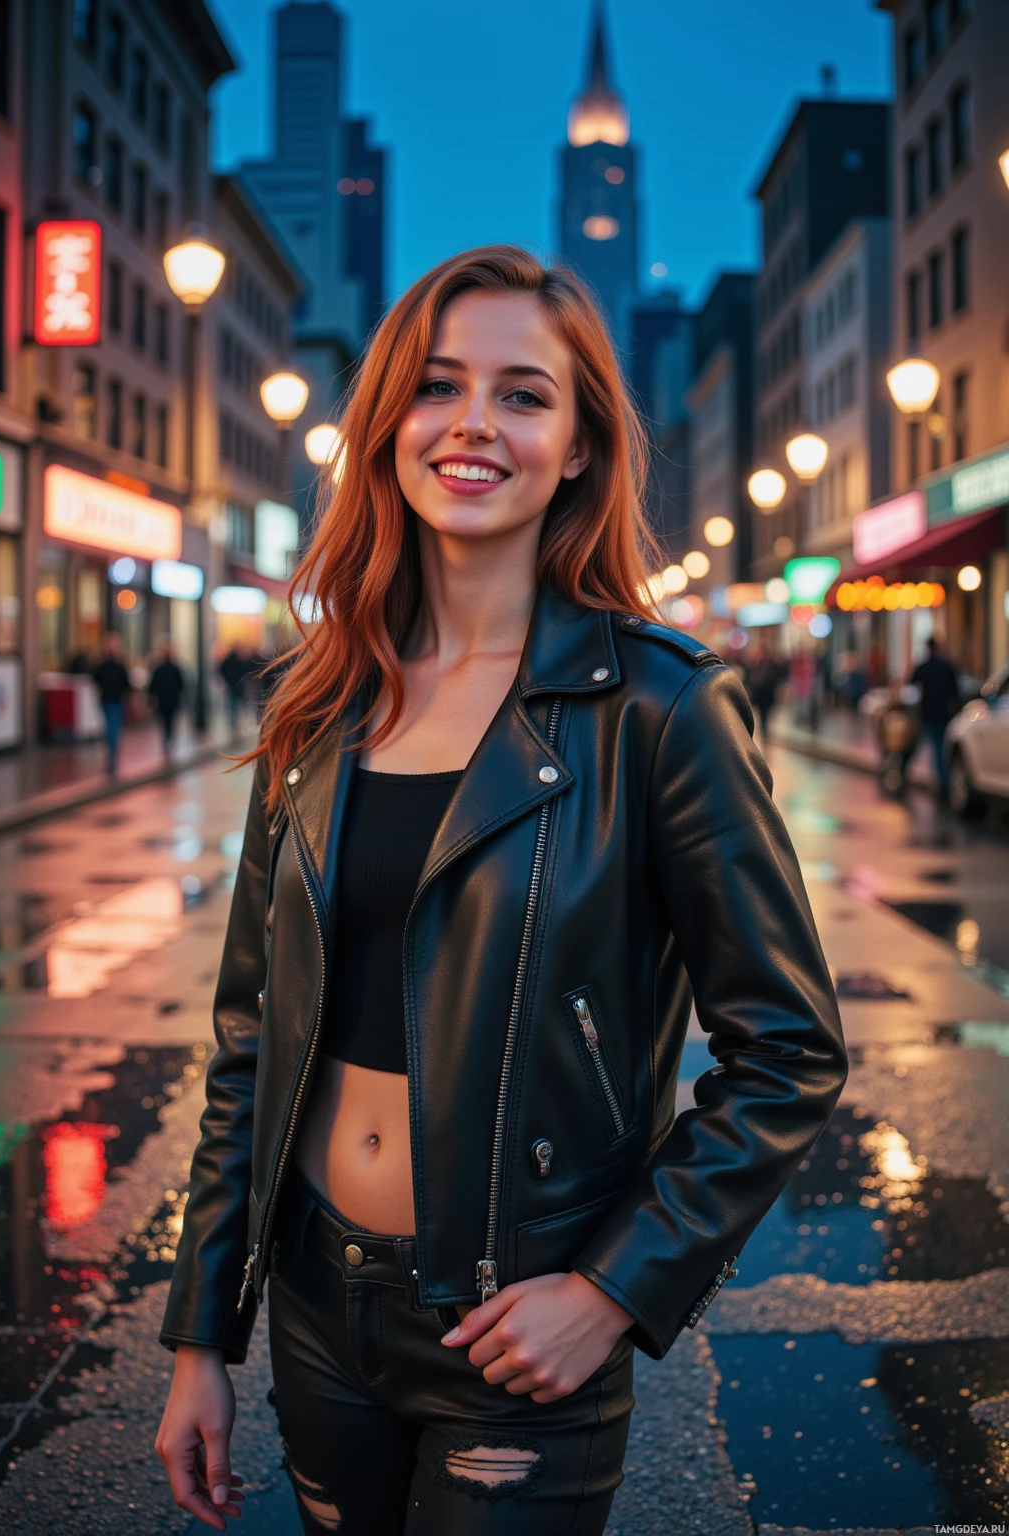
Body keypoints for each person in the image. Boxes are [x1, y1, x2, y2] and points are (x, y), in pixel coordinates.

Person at [156, 247, 846, 1535]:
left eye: (524, 395)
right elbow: (250, 1039)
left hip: (514, 1321)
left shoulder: (663, 706)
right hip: (314, 1304)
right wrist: (202, 1333)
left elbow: (789, 1051)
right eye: (436, 386)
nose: (474, 423)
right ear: (387, 428)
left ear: (579, 445)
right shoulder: (319, 701)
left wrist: (611, 1291)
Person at [911, 635, 961, 795]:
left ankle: (942, 781)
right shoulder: (947, 666)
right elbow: (955, 692)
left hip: (928, 712)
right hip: (944, 712)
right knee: (941, 746)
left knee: (935, 747)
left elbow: (911, 682)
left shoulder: (923, 667)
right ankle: (943, 779)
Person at [92, 631, 132, 775]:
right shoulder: (118, 665)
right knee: (113, 728)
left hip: (108, 699)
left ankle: (111, 755)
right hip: (114, 699)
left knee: (110, 727)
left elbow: (95, 678)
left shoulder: (103, 665)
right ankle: (112, 755)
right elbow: (127, 684)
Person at [148, 639, 186, 756]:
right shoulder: (176, 668)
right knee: (171, 722)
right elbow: (181, 685)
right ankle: (170, 742)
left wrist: (152, 697)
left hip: (162, 701)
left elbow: (152, 686)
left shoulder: (158, 669)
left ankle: (166, 742)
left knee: (165, 723)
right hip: (173, 700)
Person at [219, 643, 255, 740]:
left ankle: (233, 724)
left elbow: (221, 670)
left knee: (232, 706)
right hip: (237, 687)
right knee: (236, 706)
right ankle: (235, 723)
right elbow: (246, 671)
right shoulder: (239, 661)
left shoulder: (227, 661)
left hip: (231, 687)